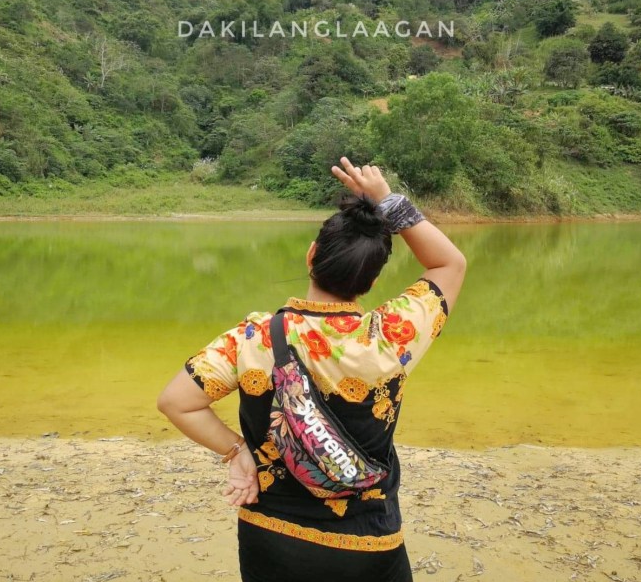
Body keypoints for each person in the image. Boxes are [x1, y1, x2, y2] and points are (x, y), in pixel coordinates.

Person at [157, 157, 467, 582]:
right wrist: (388, 201)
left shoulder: (254, 337)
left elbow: (176, 402)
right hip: (367, 543)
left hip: (271, 534)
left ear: (311, 256)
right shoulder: (391, 335)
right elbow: (450, 264)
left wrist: (236, 451)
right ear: (372, 281)